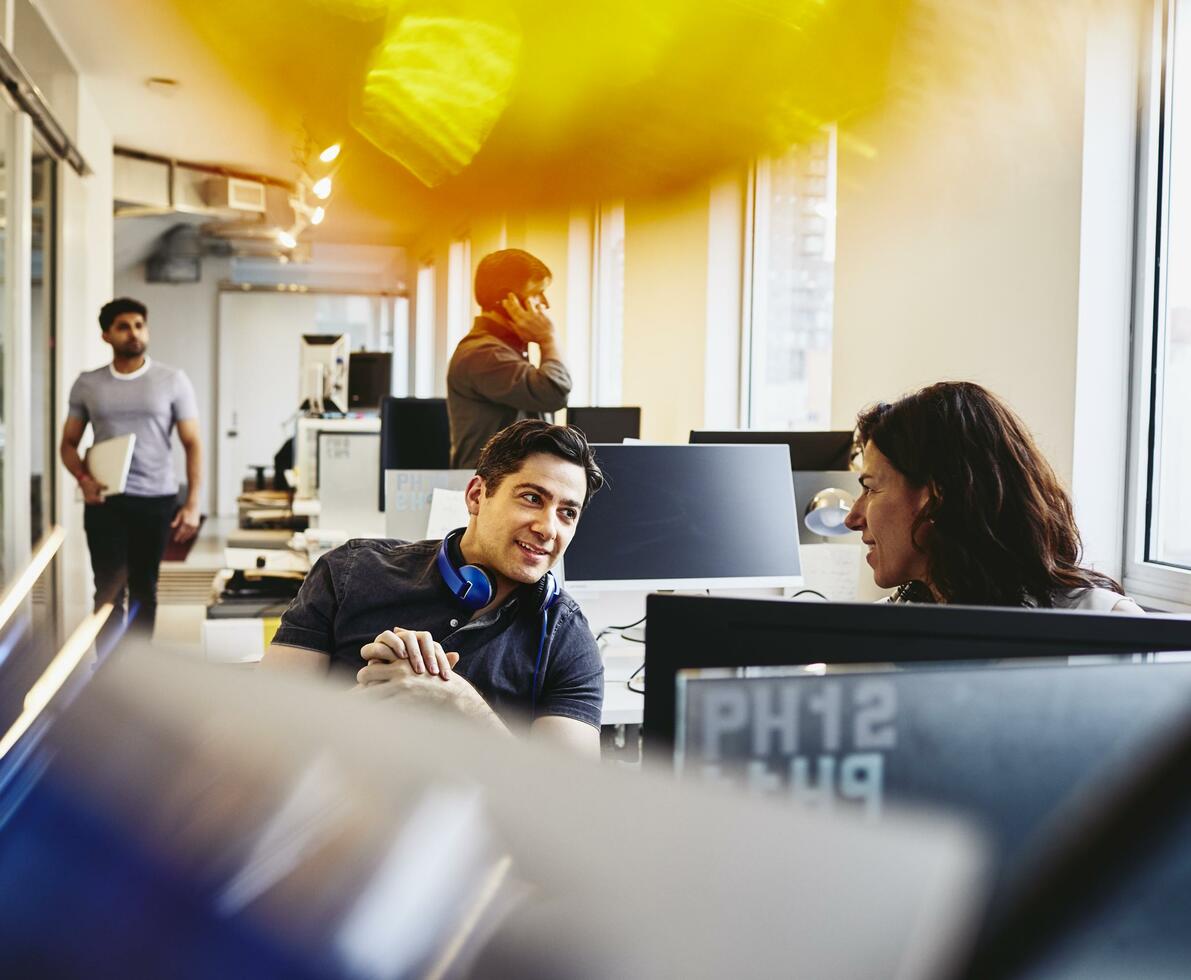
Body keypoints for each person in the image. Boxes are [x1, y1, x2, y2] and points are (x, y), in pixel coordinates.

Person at [262, 419, 606, 756]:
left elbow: (565, 796)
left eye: (567, 513)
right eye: (532, 498)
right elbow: (261, 730)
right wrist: (379, 695)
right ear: (476, 495)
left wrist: (458, 703)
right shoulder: (350, 572)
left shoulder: (565, 638)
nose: (548, 528)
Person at [843, 381, 1142, 612]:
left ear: (937, 496)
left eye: (871, 488)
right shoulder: (875, 632)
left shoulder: (1105, 622)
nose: (852, 518)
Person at [60, 297, 203, 646]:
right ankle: (106, 669)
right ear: (106, 335)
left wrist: (193, 503)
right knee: (108, 590)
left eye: (139, 325)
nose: (133, 333)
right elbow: (68, 444)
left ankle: (136, 669)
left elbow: (192, 443)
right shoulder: (88, 384)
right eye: (123, 327)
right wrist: (84, 480)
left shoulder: (172, 380)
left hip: (155, 498)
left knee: (144, 587)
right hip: (105, 500)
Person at [447, 248, 572, 469]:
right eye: (536, 293)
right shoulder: (483, 354)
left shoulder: (505, 350)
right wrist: (547, 338)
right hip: (491, 494)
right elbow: (554, 393)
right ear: (507, 301)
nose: (545, 303)